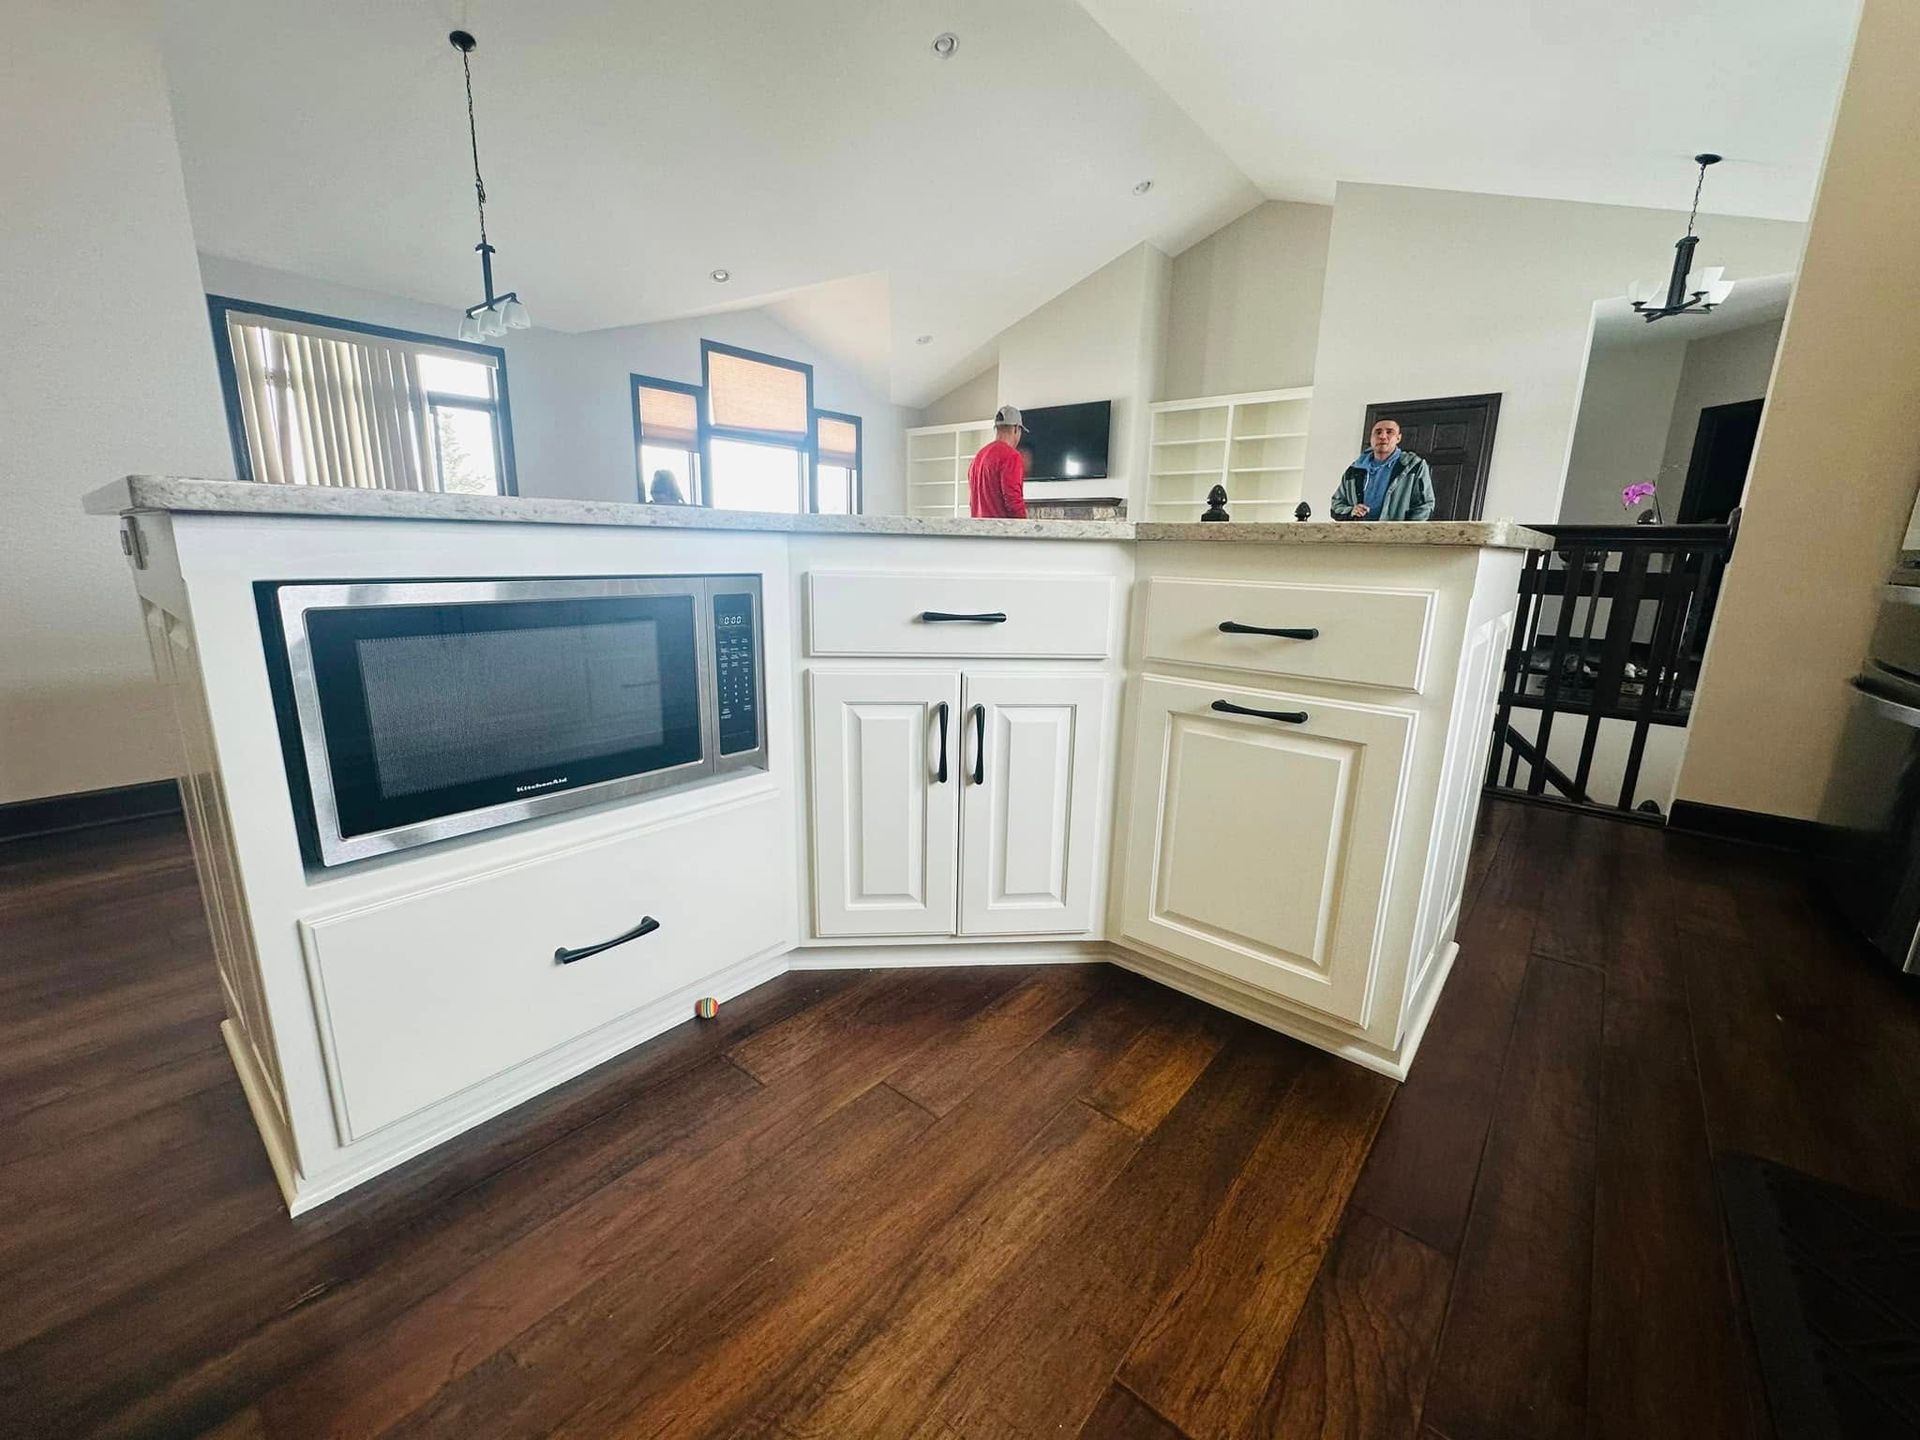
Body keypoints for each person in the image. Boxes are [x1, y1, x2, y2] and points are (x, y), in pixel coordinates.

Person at [1331, 418, 1435, 521]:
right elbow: (1336, 505)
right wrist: (1351, 511)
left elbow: (1425, 506)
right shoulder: (1354, 470)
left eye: (1389, 432)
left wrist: (1405, 532)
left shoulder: (1414, 466)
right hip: (1358, 536)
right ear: (1371, 438)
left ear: (1398, 438)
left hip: (1396, 536)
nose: (1382, 436)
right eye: (1378, 432)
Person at [968, 405, 1029, 519]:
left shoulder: (978, 457)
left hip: (979, 532)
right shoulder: (1011, 456)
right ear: (1016, 428)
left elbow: (972, 502)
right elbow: (1013, 502)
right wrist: (1024, 531)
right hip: (1001, 533)